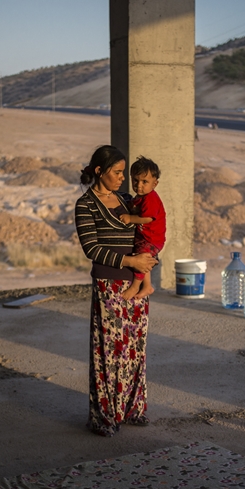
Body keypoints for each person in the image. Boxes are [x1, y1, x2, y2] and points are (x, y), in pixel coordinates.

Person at [75, 145, 157, 437]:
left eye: (124, 172)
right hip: (109, 284)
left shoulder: (126, 201)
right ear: (99, 172)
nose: (123, 178)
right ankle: (105, 417)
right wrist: (129, 261)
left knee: (135, 348)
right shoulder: (85, 205)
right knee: (110, 351)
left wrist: (144, 263)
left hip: (136, 282)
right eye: (117, 172)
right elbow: (91, 248)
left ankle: (132, 409)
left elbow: (149, 228)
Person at [119, 156, 166, 301]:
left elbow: (148, 218)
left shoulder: (150, 198)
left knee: (141, 258)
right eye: (135, 180)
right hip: (146, 237)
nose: (139, 185)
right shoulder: (140, 197)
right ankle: (147, 286)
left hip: (152, 239)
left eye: (144, 182)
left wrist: (130, 218)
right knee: (142, 257)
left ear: (155, 183)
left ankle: (135, 286)